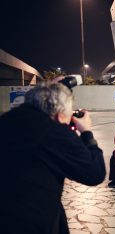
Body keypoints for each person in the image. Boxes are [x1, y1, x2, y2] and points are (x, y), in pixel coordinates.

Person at [0, 82, 105, 234]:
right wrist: (87, 132)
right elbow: (94, 173)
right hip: (33, 223)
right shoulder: (52, 132)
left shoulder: (7, 121)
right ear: (59, 114)